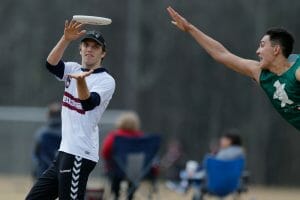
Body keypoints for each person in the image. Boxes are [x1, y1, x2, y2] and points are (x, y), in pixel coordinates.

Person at [167, 6, 300, 131]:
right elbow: (222, 54)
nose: (257, 51)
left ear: (276, 49)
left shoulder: (297, 71)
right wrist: (190, 28)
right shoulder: (260, 73)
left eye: (262, 45)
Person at [26, 20, 115, 200]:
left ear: (103, 53)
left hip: (80, 153)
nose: (90, 49)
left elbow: (88, 103)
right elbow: (51, 64)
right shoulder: (73, 69)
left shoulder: (106, 80)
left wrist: (81, 81)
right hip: (65, 152)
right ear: (80, 49)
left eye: (95, 47)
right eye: (86, 45)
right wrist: (65, 39)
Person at [168, 130, 245, 194]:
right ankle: (184, 185)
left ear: (230, 141)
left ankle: (184, 186)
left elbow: (211, 169)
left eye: (223, 139)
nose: (221, 141)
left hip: (215, 184)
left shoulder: (223, 154)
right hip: (233, 185)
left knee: (193, 169)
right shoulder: (240, 154)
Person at [100, 112, 143, 200]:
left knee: (114, 172)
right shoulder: (141, 138)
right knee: (133, 172)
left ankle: (116, 195)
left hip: (116, 170)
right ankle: (130, 195)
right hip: (135, 171)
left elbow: (105, 152)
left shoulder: (114, 136)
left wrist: (109, 160)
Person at [32, 102, 62, 179]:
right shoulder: (68, 133)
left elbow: (36, 155)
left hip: (43, 173)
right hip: (63, 174)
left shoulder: (42, 134)